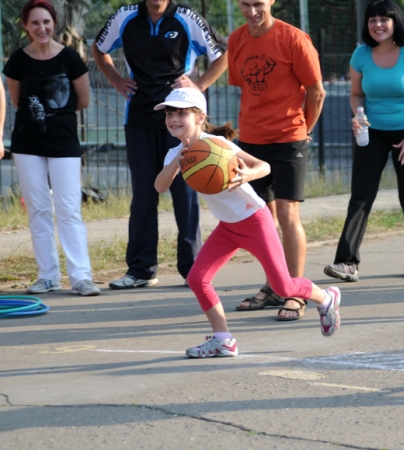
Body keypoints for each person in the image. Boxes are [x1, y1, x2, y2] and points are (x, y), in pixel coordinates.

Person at [153, 88, 341, 357]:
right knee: (197, 278)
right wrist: (176, 164)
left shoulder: (218, 145)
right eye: (170, 113)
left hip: (254, 220)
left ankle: (326, 298)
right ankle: (223, 339)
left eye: (182, 113)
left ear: (199, 117)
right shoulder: (174, 155)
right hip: (227, 227)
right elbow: (160, 186)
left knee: (283, 286)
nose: (173, 118)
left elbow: (264, 166)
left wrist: (247, 175)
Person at [91, 0, 228, 289]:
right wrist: (116, 80)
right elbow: (99, 49)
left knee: (185, 194)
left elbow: (223, 55)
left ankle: (192, 269)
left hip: (182, 122)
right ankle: (141, 270)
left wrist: (198, 85)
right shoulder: (125, 16)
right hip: (139, 118)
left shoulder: (187, 18)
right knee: (144, 193)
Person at [323, 0, 404, 283]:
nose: (378, 25)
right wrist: (358, 114)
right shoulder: (361, 54)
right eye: (372, 20)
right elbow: (357, 93)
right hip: (371, 133)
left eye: (384, 19)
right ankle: (346, 262)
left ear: (396, 22)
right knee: (361, 195)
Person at [228, 0, 326, 320]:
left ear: (271, 1)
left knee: (287, 214)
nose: (252, 11)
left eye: (258, 3)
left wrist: (304, 130)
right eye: (245, 4)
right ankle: (274, 285)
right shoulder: (237, 39)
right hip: (252, 142)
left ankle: (296, 292)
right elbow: (246, 89)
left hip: (288, 139)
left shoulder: (294, 38)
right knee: (262, 221)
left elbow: (316, 91)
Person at [3, 0, 100, 296]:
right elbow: (17, 101)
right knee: (38, 210)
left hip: (64, 143)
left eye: (46, 22)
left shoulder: (70, 58)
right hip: (27, 144)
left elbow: (83, 100)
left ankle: (81, 276)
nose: (41, 28)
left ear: (53, 23)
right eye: (35, 23)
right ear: (26, 27)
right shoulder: (18, 60)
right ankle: (47, 276)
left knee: (69, 209)